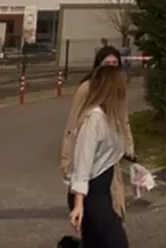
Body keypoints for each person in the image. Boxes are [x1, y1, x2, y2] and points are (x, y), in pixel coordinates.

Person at [60, 46, 133, 223]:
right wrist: (66, 157)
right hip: (93, 156)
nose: (112, 67)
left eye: (115, 63)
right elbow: (73, 122)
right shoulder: (87, 89)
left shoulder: (119, 89)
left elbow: (123, 120)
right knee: (97, 204)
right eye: (107, 63)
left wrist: (129, 148)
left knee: (114, 198)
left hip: (110, 154)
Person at [67, 65, 131, 247]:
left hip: (102, 192)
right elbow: (83, 162)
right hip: (91, 193)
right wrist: (79, 204)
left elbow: (111, 153)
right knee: (116, 243)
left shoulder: (109, 118)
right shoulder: (94, 119)